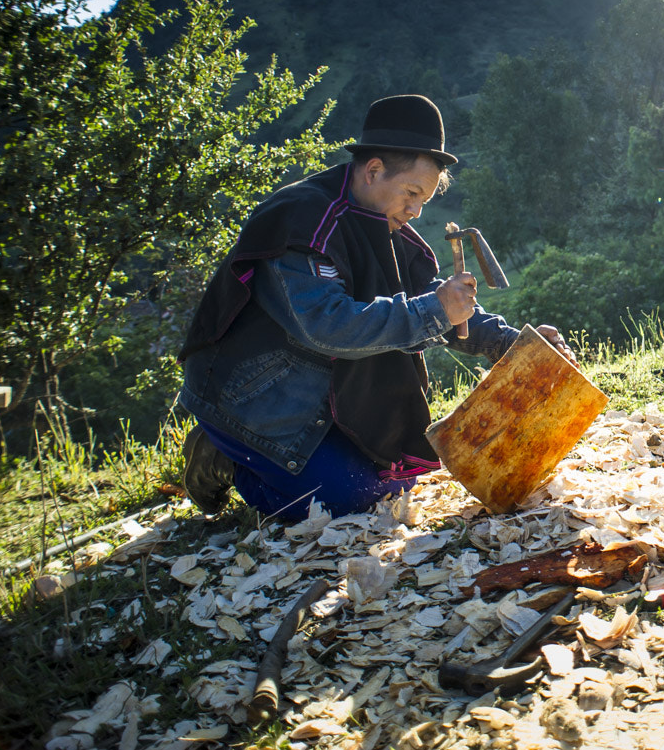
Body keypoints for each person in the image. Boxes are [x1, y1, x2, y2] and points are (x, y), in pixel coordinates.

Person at [176, 94, 576, 520]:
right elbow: (328, 326)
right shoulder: (301, 221)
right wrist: (437, 309)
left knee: (395, 483)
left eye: (423, 200)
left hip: (325, 389)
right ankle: (224, 454)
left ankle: (281, 460)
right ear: (373, 170)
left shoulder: (383, 225)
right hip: (258, 396)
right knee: (341, 503)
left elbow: (435, 301)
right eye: (411, 193)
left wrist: (512, 344)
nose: (416, 211)